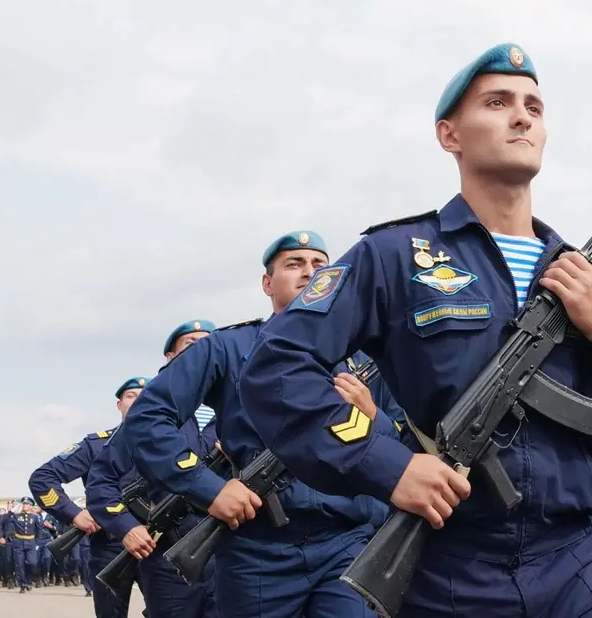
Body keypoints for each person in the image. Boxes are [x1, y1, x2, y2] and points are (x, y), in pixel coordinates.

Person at [238, 43, 592, 617]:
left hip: (578, 559)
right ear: (449, 135)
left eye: (534, 107)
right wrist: (388, 464)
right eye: (497, 102)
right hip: (451, 565)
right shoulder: (394, 254)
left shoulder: (580, 275)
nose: (522, 117)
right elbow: (277, 369)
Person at [124, 232, 406, 618]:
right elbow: (147, 419)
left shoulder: (365, 359)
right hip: (259, 550)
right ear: (267, 284)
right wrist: (208, 488)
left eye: (320, 265)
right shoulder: (227, 347)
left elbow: (410, 441)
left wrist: (375, 418)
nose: (309, 272)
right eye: (294, 264)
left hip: (349, 542)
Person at [86, 319, 220, 618]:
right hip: (171, 558)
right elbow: (101, 481)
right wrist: (126, 527)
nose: (202, 350)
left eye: (209, 343)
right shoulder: (152, 414)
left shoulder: (240, 407)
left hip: (234, 557)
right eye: (191, 344)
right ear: (171, 358)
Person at [29, 376, 147, 618]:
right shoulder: (96, 445)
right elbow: (42, 478)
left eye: (144, 396)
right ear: (119, 405)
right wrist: (74, 514)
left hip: (158, 542)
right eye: (130, 396)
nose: (137, 401)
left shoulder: (174, 442)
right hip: (110, 545)